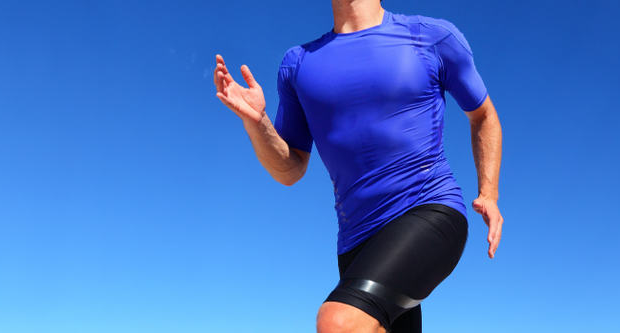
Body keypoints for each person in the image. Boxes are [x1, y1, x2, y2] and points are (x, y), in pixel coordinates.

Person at [212, 0, 503, 331]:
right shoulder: (298, 64)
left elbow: (483, 114)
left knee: (339, 321)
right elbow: (290, 168)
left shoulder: (431, 37)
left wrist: (489, 192)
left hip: (429, 209)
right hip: (355, 241)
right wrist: (258, 122)